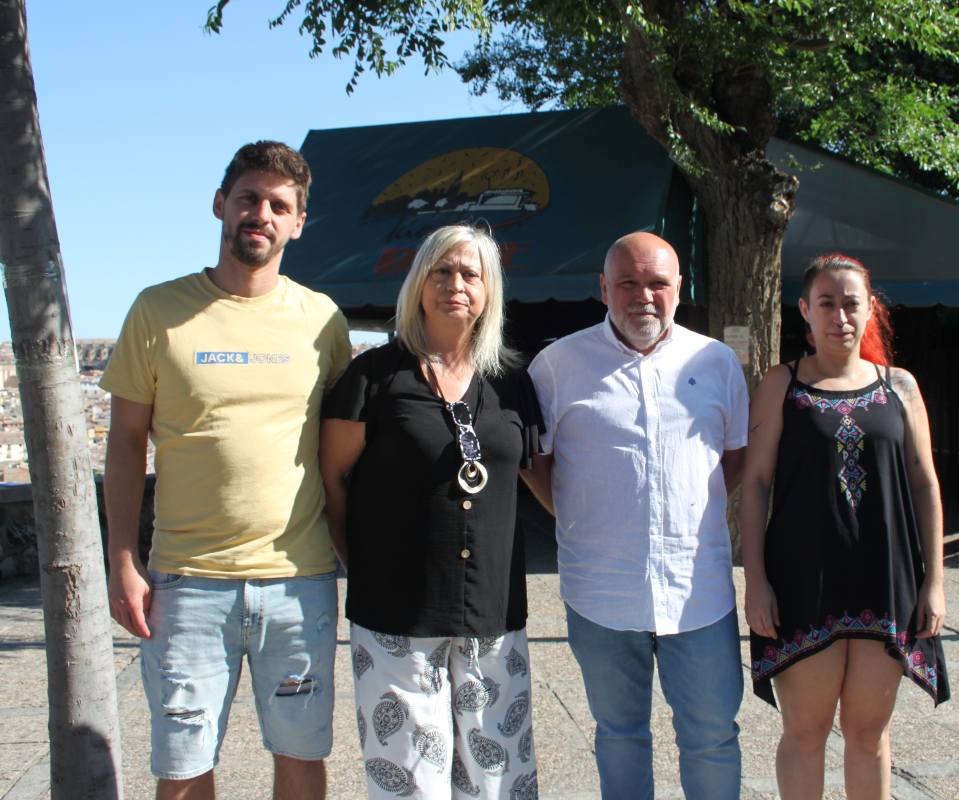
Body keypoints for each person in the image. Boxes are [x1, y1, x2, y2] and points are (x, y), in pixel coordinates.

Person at [102, 141, 351, 800]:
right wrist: (122, 560)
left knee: (300, 756)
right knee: (182, 767)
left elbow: (344, 449)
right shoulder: (157, 311)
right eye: (248, 198)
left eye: (278, 205)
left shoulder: (322, 320)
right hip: (186, 584)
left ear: (298, 222)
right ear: (220, 205)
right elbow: (126, 443)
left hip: (299, 583)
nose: (260, 214)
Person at [319, 224, 543, 800]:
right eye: (441, 271)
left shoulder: (511, 382)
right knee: (409, 784)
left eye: (471, 273)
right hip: (397, 615)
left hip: (493, 615)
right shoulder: (373, 378)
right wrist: (358, 562)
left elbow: (540, 475)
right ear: (419, 284)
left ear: (489, 290)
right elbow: (333, 478)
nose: (455, 284)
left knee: (498, 779)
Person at [526, 231, 748, 800]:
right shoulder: (557, 366)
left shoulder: (717, 362)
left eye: (657, 283)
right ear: (603, 288)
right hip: (600, 594)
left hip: (698, 593)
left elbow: (737, 458)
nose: (642, 296)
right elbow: (536, 463)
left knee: (712, 737)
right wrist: (579, 518)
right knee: (619, 735)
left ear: (680, 288)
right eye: (627, 283)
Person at [740, 253, 950, 800]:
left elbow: (925, 484)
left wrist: (935, 582)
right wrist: (755, 579)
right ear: (805, 311)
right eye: (826, 303)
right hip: (801, 579)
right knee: (805, 732)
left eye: (851, 303)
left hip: (885, 577)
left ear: (869, 308)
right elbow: (756, 483)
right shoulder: (780, 384)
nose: (840, 316)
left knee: (868, 734)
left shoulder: (898, 386)